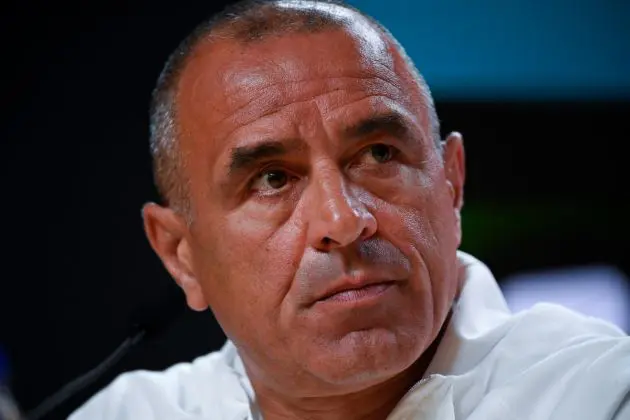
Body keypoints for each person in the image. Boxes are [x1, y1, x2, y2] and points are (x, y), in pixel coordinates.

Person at [69, 0, 630, 419]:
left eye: (378, 154)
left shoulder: (598, 394)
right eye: (271, 179)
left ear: (452, 186)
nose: (342, 221)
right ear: (181, 254)